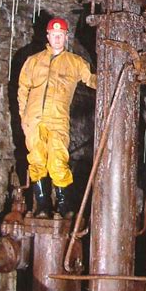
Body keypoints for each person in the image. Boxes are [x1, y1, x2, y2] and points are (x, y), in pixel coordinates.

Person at [17, 17, 97, 217]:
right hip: (33, 120)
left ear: (66, 37)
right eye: (54, 35)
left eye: (61, 35)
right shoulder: (33, 61)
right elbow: (22, 90)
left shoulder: (75, 63)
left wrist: (112, 76)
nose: (57, 39)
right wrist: (23, 117)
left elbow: (92, 80)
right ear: (48, 36)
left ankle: (65, 206)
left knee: (58, 161)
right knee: (36, 161)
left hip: (57, 120)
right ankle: (42, 206)